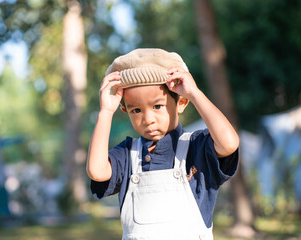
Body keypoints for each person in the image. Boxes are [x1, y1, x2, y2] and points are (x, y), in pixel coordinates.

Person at [86, 48, 239, 240]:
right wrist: (106, 112)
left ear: (182, 102)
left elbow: (229, 143)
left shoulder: (196, 147)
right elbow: (97, 171)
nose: (147, 119)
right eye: (136, 110)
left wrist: (195, 93)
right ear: (124, 111)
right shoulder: (128, 154)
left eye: (157, 106)